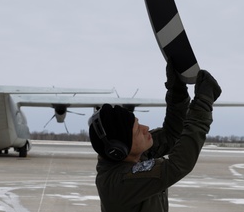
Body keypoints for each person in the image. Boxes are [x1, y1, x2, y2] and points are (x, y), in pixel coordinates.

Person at [88, 62, 221, 212]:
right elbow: (178, 165)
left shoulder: (131, 156)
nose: (146, 129)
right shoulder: (120, 183)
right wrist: (202, 105)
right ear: (119, 149)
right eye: (138, 131)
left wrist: (177, 94)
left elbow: (171, 135)